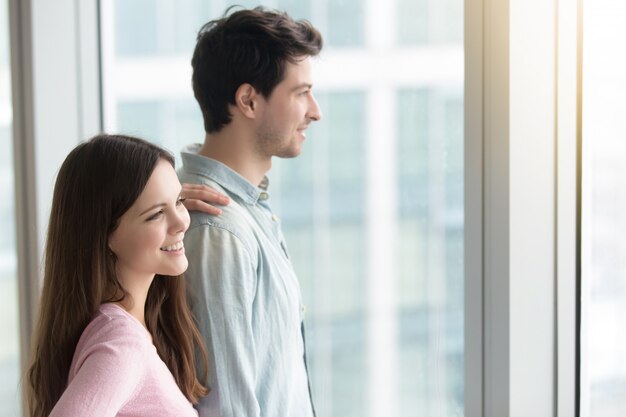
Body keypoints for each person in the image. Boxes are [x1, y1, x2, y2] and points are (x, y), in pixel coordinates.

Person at [178, 6, 323, 417]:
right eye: (301, 93)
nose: (315, 111)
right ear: (248, 100)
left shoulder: (247, 211)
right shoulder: (219, 230)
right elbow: (227, 406)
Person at [26, 134, 209, 417]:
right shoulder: (122, 342)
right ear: (105, 235)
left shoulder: (119, 327)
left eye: (180, 201)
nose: (182, 222)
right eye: (156, 214)